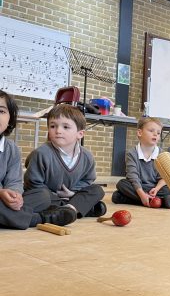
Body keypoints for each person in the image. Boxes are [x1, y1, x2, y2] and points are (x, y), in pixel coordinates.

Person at [0, 91, 77, 229]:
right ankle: (41, 218)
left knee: (43, 195)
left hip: (4, 202)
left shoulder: (11, 149)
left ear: (10, 118)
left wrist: (15, 195)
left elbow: (14, 181)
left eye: (1, 111)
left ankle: (12, 216)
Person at [24, 103, 106, 219]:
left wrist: (72, 193)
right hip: (48, 196)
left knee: (97, 190)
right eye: (53, 126)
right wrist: (54, 194)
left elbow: (88, 180)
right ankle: (80, 208)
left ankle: (69, 209)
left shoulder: (87, 156)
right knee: (42, 197)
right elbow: (32, 183)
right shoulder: (41, 153)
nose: (58, 131)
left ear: (80, 134)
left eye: (65, 127)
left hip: (71, 195)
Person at [112, 117, 170, 208]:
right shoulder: (131, 153)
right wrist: (141, 194)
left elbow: (164, 178)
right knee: (122, 184)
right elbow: (132, 177)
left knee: (169, 189)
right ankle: (157, 201)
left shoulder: (163, 154)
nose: (155, 134)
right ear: (140, 133)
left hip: (155, 188)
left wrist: (156, 189)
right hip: (137, 187)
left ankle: (134, 199)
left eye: (158, 133)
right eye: (151, 131)